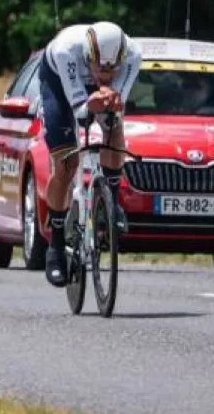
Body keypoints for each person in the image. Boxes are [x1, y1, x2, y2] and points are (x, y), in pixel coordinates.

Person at [37, 21, 142, 286]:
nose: (106, 75)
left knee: (114, 126)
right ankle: (56, 244)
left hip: (90, 90)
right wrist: (89, 104)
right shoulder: (66, 52)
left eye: (113, 69)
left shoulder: (133, 55)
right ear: (87, 57)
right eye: (99, 68)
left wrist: (110, 103)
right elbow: (80, 112)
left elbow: (116, 104)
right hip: (59, 86)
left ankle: (112, 202)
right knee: (66, 163)